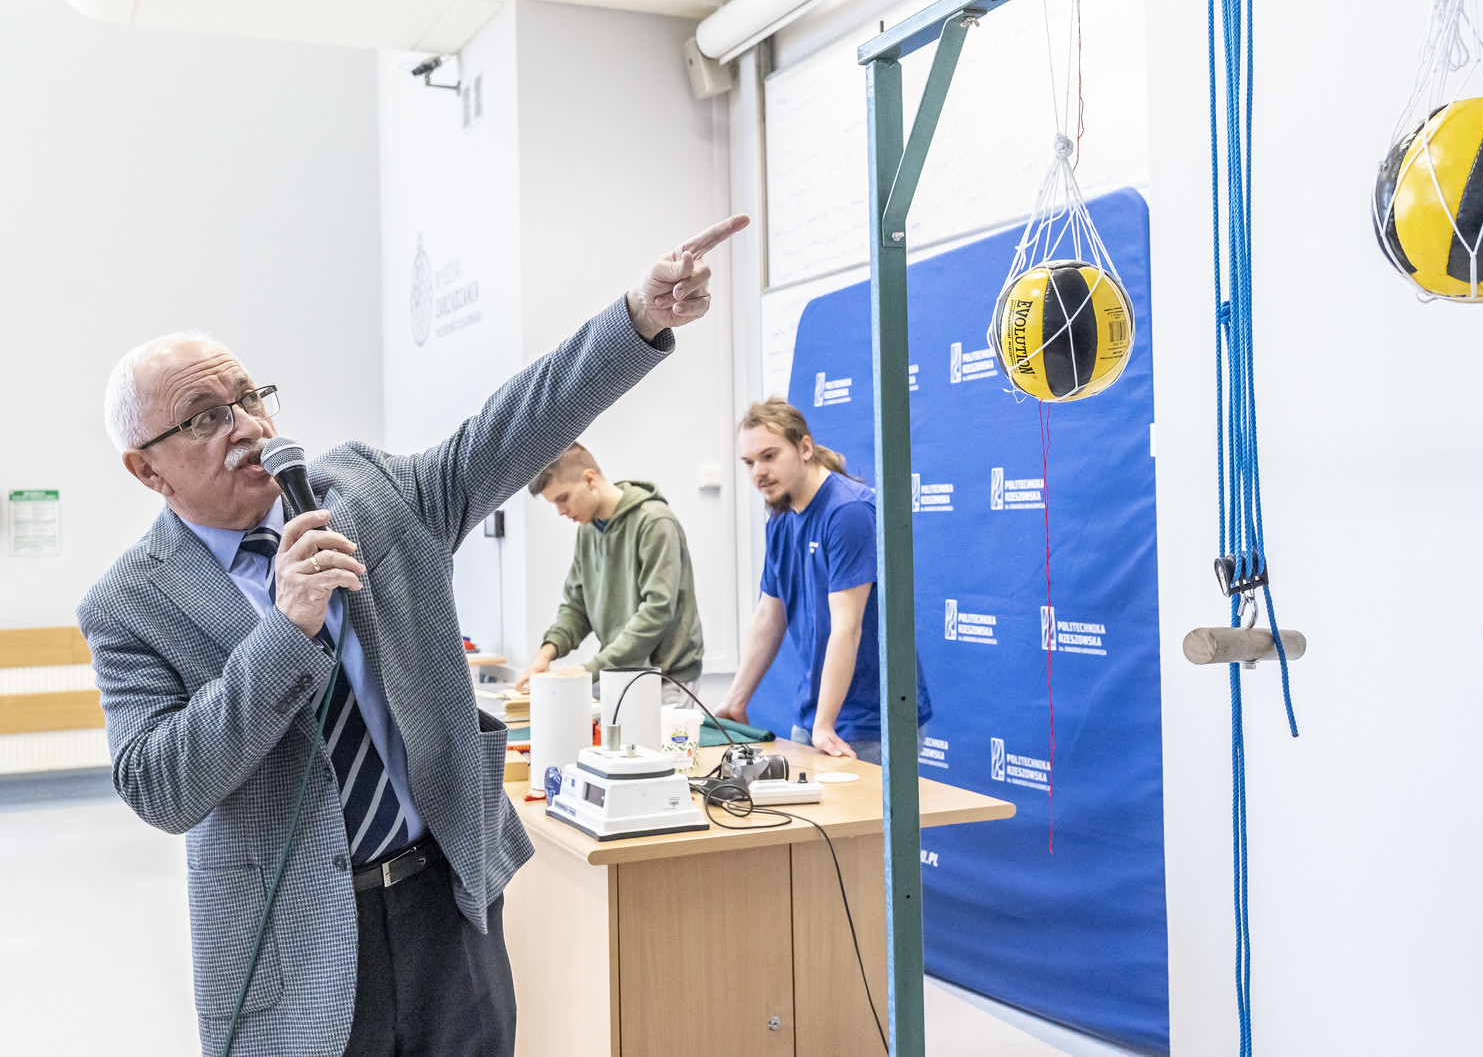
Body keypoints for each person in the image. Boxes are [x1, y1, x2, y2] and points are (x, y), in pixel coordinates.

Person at [76, 215, 747, 1057]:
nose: (247, 426)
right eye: (205, 417)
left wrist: (637, 319)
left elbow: (509, 429)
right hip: (296, 945)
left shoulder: (363, 493)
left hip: (447, 904)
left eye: (250, 397)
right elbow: (161, 787)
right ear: (146, 468)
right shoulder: (130, 605)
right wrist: (286, 631)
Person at [714, 398, 931, 760]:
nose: (758, 472)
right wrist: (735, 700)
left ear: (805, 448)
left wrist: (825, 724)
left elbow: (847, 627)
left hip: (873, 721)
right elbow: (769, 616)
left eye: (769, 456)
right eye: (749, 462)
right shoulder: (781, 518)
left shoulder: (847, 511)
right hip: (815, 718)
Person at [514, 444, 704, 705]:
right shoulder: (587, 531)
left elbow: (657, 611)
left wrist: (592, 668)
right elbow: (576, 607)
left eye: (563, 498)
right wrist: (547, 652)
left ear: (590, 478)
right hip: (619, 675)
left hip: (666, 679)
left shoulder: (655, 522)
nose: (560, 511)